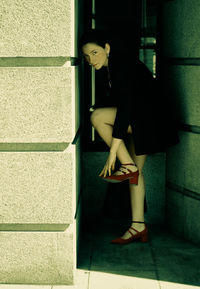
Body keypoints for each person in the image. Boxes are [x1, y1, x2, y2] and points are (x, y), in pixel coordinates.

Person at [80, 29, 179, 245]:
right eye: (86, 56)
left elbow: (125, 109)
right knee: (136, 173)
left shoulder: (120, 64)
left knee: (97, 117)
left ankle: (127, 165)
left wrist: (114, 153)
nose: (90, 60)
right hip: (145, 121)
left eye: (95, 53)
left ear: (106, 48)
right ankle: (138, 226)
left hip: (150, 121)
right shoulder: (110, 68)